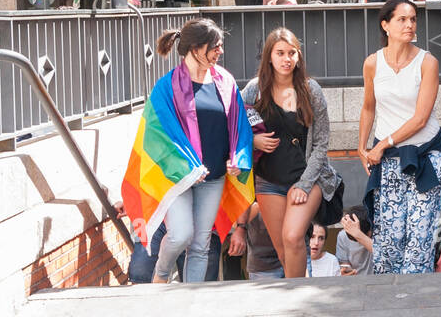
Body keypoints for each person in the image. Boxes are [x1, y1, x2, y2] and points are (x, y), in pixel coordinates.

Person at [120, 18, 253, 284]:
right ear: (195, 49)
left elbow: (240, 125)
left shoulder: (225, 82)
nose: (220, 51)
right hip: (177, 179)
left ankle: (190, 298)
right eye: (215, 46)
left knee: (201, 243)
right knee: (181, 235)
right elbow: (157, 136)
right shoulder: (165, 87)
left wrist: (238, 158)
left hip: (213, 177)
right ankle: (161, 272)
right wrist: (187, 166)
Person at [358, 0, 441, 274]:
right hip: (388, 159)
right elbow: (368, 107)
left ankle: (416, 300)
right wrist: (362, 147)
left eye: (413, 19)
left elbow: (421, 118)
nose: (409, 25)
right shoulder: (372, 63)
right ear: (385, 25)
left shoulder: (427, 62)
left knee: (419, 237)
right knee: (389, 235)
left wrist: (381, 145)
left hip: (427, 156)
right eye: (402, 19)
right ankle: (388, 301)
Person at [241, 28, 338, 279]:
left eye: (291, 53)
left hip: (308, 178)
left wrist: (304, 184)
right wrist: (253, 140)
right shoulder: (254, 90)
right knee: (283, 252)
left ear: (299, 56)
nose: (286, 59)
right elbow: (233, 127)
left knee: (293, 236)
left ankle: (295, 297)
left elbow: (321, 144)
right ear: (269, 57)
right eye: (280, 53)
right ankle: (297, 298)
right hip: (268, 181)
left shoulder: (310, 90)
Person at [228, 201, 284, 281]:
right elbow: (234, 225)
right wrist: (257, 206)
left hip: (293, 258)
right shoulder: (250, 199)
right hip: (263, 265)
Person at [336, 205, 373, 275]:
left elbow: (383, 253)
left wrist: (358, 235)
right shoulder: (343, 236)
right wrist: (346, 271)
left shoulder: (379, 235)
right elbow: (344, 264)